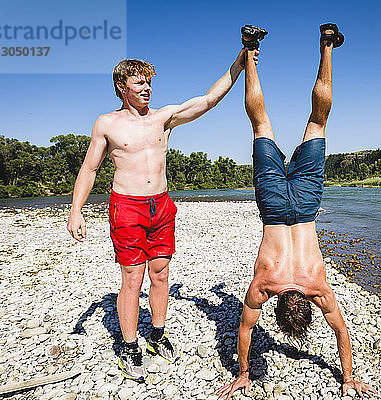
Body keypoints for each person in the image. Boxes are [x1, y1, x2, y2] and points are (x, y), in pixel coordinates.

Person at [66, 48, 258, 382]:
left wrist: (239, 64)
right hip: (126, 206)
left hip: (162, 205)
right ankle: (128, 346)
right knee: (132, 279)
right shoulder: (107, 124)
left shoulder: (163, 117)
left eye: (149, 83)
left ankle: (156, 333)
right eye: (139, 83)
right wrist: (75, 210)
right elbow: (90, 167)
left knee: (160, 273)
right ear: (121, 86)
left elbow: (209, 99)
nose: (146, 88)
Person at [217, 24, 376, 399]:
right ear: (281, 306)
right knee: (260, 123)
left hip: (305, 205)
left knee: (317, 121)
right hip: (274, 206)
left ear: (306, 304)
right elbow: (245, 329)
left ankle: (326, 46)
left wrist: (349, 374)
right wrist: (243, 372)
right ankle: (250, 47)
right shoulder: (264, 286)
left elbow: (340, 330)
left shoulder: (317, 285)